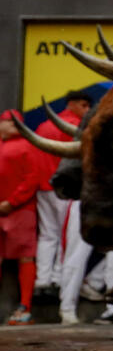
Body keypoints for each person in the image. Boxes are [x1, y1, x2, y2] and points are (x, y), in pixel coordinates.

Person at [31, 90, 91, 300]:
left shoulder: (43, 126)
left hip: (42, 187)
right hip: (64, 190)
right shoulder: (79, 129)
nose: (87, 111)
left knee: (48, 235)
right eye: (84, 105)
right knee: (66, 235)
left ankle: (42, 279)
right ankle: (58, 278)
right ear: (73, 104)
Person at [1, 111, 41, 324]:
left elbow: (32, 178)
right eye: (8, 122)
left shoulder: (27, 145)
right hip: (4, 208)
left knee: (25, 257)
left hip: (21, 210)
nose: (10, 126)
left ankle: (25, 307)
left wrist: (12, 202)